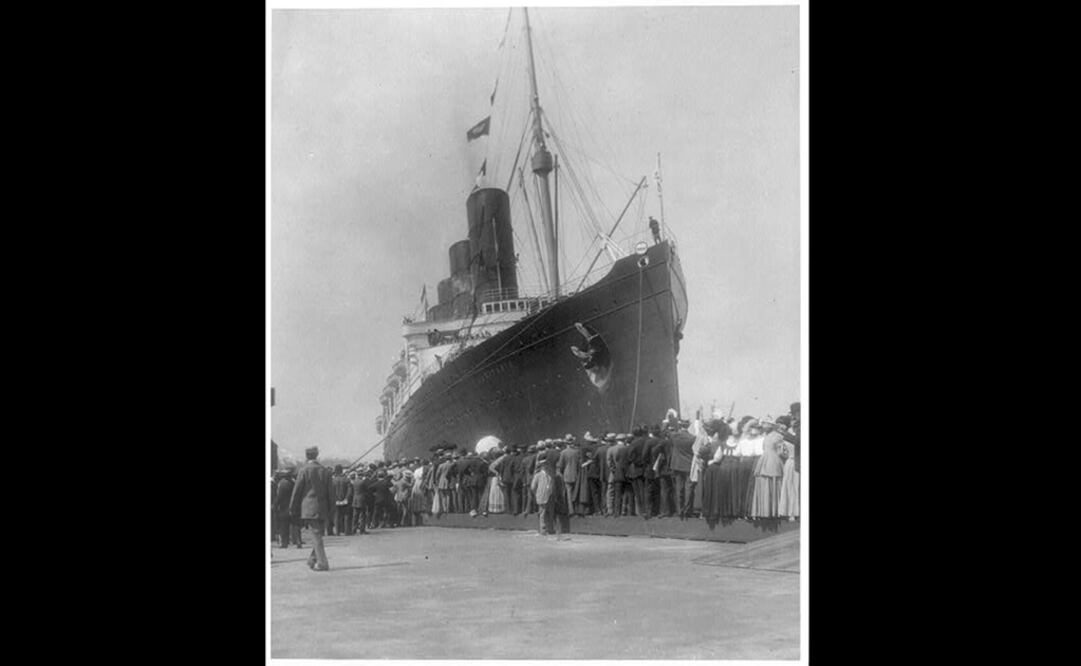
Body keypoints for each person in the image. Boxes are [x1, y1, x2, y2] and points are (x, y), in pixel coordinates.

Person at [289, 446, 335, 571]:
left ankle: (322, 563)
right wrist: (332, 509)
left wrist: (292, 507)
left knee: (316, 536)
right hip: (323, 507)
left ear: (306, 456)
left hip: (309, 507)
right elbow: (331, 493)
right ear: (317, 455)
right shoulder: (325, 471)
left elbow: (297, 490)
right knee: (318, 534)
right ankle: (312, 559)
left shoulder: (304, 470)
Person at [749, 420, 786, 519]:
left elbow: (781, 451)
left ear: (771, 425)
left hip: (772, 460)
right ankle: (765, 510)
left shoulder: (778, 436)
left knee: (773, 481)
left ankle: (774, 510)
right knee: (765, 481)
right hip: (765, 459)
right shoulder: (766, 436)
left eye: (766, 424)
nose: (764, 426)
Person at [668, 419, 696, 517]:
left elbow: (665, 431)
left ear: (680, 425)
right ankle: (687, 510)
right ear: (688, 426)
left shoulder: (675, 436)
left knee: (679, 488)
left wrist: (668, 419)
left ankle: (679, 510)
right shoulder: (693, 438)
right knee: (689, 488)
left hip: (677, 465)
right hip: (688, 465)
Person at [775, 415, 800, 521]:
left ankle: (796, 512)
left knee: (797, 486)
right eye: (793, 419)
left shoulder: (797, 433)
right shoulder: (786, 434)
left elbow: (797, 442)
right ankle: (790, 512)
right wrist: (782, 451)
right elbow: (783, 453)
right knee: (789, 487)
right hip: (789, 461)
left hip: (798, 462)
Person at [275, 470, 302, 548]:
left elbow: (279, 497)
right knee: (295, 526)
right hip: (294, 507)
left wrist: (275, 505)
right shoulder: (294, 483)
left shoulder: (282, 484)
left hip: (283, 508)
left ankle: (284, 543)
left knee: (284, 526)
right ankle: (297, 541)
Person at [557, 435, 583, 516]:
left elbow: (561, 465)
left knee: (568, 493)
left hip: (567, 474)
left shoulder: (563, 453)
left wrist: (561, 472)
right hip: (575, 473)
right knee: (576, 492)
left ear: (565, 443)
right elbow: (579, 464)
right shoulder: (576, 452)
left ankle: (571, 510)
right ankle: (577, 509)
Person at [331, 465, 353, 536]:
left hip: (336, 501)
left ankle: (337, 532)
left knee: (336, 516)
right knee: (346, 516)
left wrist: (336, 499)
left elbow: (332, 492)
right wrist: (346, 499)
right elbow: (350, 491)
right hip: (345, 501)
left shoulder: (333, 480)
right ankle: (347, 531)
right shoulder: (347, 479)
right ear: (341, 470)